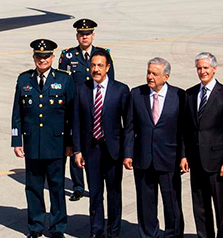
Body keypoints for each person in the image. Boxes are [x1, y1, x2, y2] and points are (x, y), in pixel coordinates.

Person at [11, 39, 75, 238]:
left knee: (56, 187)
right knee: (33, 187)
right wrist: (16, 141)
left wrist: (71, 143)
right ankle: (36, 226)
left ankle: (58, 227)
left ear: (53, 58)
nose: (42, 59)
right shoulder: (24, 80)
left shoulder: (64, 80)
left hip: (57, 144)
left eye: (46, 56)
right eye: (39, 56)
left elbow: (72, 115)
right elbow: (17, 113)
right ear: (33, 58)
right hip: (32, 144)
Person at [180, 52, 223, 238]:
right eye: (199, 68)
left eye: (206, 68)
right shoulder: (190, 94)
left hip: (217, 163)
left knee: (222, 207)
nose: (202, 71)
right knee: (200, 206)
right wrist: (184, 155)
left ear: (214, 69)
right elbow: (185, 129)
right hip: (196, 160)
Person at [124, 57, 185, 238]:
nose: (150, 76)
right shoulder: (136, 94)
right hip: (143, 159)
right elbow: (129, 127)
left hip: (169, 159)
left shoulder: (179, 96)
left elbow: (183, 131)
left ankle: (173, 235)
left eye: (154, 74)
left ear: (166, 77)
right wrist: (128, 154)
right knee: (145, 204)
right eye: (148, 72)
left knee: (172, 204)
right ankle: (148, 235)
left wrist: (184, 156)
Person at [72, 48, 129, 238]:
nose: (96, 69)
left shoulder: (120, 90)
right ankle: (96, 231)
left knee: (114, 193)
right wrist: (78, 151)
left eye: (100, 66)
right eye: (93, 65)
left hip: (113, 150)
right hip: (91, 150)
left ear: (108, 68)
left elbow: (128, 125)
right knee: (95, 193)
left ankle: (114, 231)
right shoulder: (82, 89)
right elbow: (77, 122)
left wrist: (127, 153)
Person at [58, 18, 116, 202]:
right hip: (75, 107)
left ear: (93, 35)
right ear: (77, 36)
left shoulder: (102, 55)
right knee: (77, 143)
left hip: (95, 106)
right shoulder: (68, 56)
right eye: (82, 34)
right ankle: (77, 186)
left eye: (88, 34)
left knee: (93, 143)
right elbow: (63, 83)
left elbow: (110, 81)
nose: (85, 37)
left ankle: (95, 184)